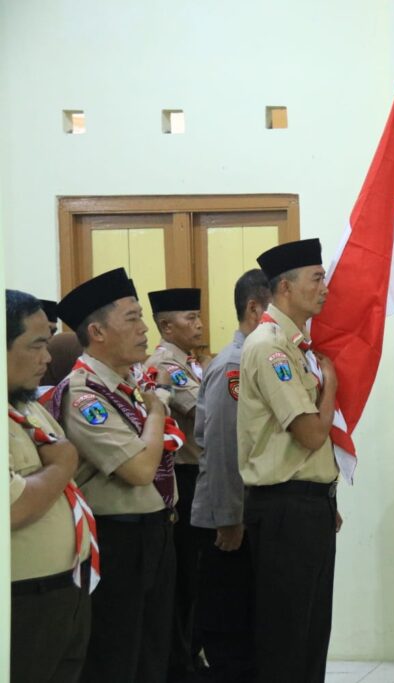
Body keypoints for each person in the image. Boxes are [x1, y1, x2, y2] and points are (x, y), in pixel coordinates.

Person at [52, 267, 180, 683]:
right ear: (98, 331)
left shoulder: (128, 386)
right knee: (117, 657)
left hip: (155, 532)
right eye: (132, 318)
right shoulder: (84, 394)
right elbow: (141, 468)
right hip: (118, 541)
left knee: (153, 654)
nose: (145, 329)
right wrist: (158, 410)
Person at [237, 238, 341, 683]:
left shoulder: (296, 346)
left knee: (311, 633)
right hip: (284, 508)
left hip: (308, 504)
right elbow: (312, 433)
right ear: (284, 288)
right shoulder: (271, 347)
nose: (325, 289)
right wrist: (331, 385)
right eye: (316, 279)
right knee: (286, 639)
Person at [7, 289, 95, 683]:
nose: (48, 358)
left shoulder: (27, 406)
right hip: (23, 600)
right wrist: (63, 464)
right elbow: (13, 508)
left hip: (67, 589)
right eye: (37, 345)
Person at [191, 268, 271, 682]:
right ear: (256, 310)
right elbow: (224, 447)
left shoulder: (257, 359)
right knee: (230, 630)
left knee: (251, 625)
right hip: (230, 520)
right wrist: (229, 518)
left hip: (247, 514)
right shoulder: (234, 367)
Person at [145, 287, 206, 679]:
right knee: (186, 577)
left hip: (199, 475)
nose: (199, 323)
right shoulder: (167, 365)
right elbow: (202, 411)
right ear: (166, 326)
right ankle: (180, 662)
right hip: (183, 479)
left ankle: (190, 655)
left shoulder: (192, 361)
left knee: (199, 579)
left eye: (198, 316)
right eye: (189, 317)